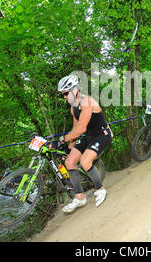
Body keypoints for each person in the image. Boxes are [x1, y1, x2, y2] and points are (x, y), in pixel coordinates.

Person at [51, 74, 112, 213]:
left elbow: (81, 128)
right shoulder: (73, 108)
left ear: (74, 90)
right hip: (88, 136)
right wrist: (71, 145)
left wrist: (61, 140)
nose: (64, 97)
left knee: (85, 162)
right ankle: (79, 197)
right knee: (69, 162)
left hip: (102, 134)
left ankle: (100, 189)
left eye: (66, 93)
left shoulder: (87, 102)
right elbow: (75, 127)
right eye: (62, 94)